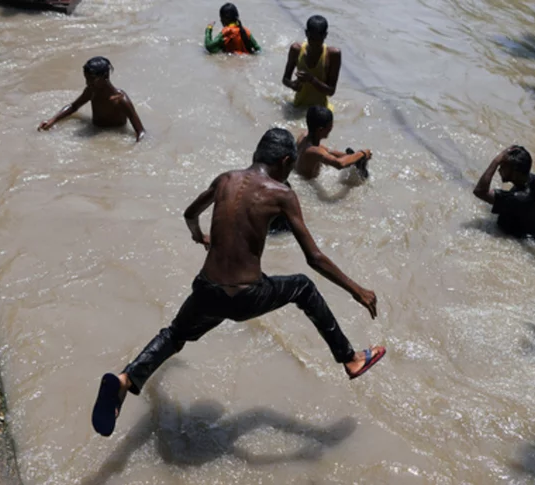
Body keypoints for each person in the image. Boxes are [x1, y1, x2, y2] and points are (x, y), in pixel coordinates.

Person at [92, 128, 386, 437]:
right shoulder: (282, 193)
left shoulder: (225, 180)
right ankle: (350, 359)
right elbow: (314, 257)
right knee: (303, 286)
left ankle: (125, 380)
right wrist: (357, 290)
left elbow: (190, 213)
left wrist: (200, 236)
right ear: (286, 161)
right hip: (246, 295)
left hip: (207, 288)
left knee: (174, 335)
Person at [37, 57, 146, 142]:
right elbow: (74, 106)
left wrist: (135, 149)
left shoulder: (120, 100)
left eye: (91, 80)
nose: (87, 83)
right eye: (86, 79)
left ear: (104, 77)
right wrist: (52, 120)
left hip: (113, 134)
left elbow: (140, 132)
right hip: (94, 129)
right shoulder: (91, 91)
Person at [473, 145, 535, 239]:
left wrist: (496, 161)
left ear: (516, 172)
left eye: (503, 166)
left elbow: (479, 191)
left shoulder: (520, 199)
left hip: (524, 239)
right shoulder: (534, 180)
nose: (499, 169)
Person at [282, 15, 341, 111]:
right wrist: (293, 85)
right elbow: (285, 79)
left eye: (319, 40)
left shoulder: (333, 55)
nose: (315, 44)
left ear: (325, 35)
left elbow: (331, 91)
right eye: (312, 39)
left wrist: (312, 79)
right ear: (306, 33)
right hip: (298, 107)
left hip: (321, 110)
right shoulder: (296, 49)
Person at [295, 106, 371, 180]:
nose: (332, 127)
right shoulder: (315, 151)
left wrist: (354, 157)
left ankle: (355, 159)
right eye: (330, 125)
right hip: (308, 183)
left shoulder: (303, 136)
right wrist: (362, 153)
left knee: (331, 152)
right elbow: (339, 164)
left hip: (300, 174)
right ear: (320, 130)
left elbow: (327, 152)